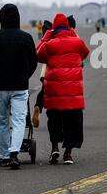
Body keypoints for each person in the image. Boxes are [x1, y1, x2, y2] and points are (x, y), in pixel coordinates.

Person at [0, 4, 38, 169]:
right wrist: (25, 75)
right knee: (19, 120)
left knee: (2, 121)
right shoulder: (26, 38)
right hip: (20, 86)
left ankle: (5, 155)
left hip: (0, 86)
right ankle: (14, 153)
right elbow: (33, 62)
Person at [37, 13, 89, 165]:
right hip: (73, 91)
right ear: (68, 27)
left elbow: (38, 55)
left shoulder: (50, 44)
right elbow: (85, 53)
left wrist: (47, 35)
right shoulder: (77, 42)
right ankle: (68, 153)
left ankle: (54, 147)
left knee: (54, 119)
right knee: (72, 121)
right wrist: (72, 33)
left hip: (55, 90)